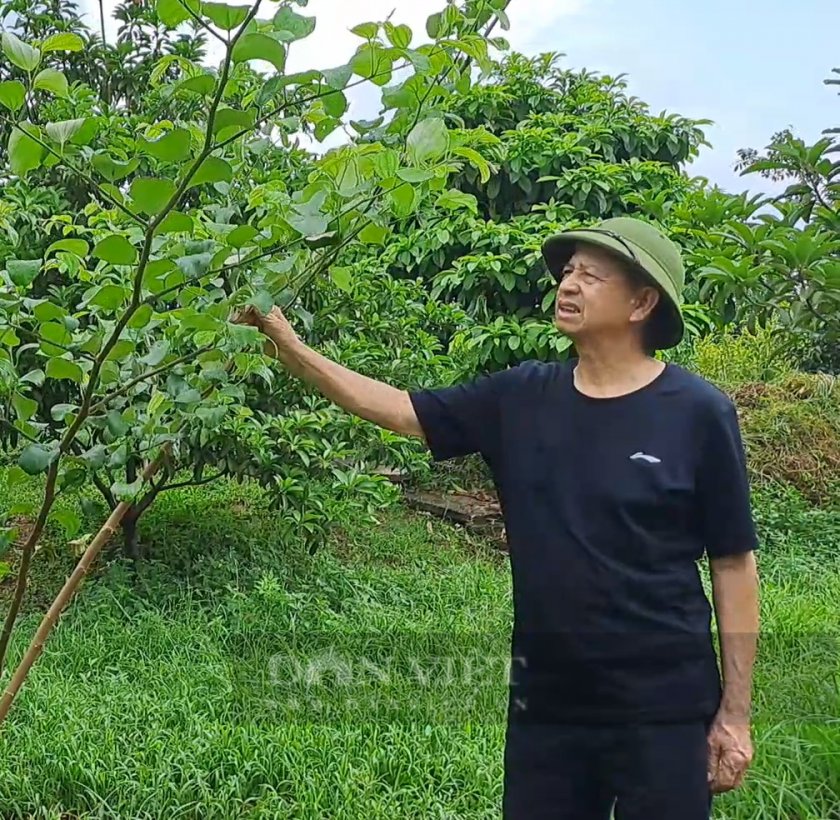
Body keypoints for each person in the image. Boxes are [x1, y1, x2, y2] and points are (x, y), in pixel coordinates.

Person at [235, 216, 760, 819]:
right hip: (549, 700)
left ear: (642, 301)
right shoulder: (521, 397)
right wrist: (287, 344)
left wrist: (735, 712)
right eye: (567, 271)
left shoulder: (698, 412)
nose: (568, 284)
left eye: (591, 274)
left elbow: (733, 561)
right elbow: (402, 411)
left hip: (665, 701)